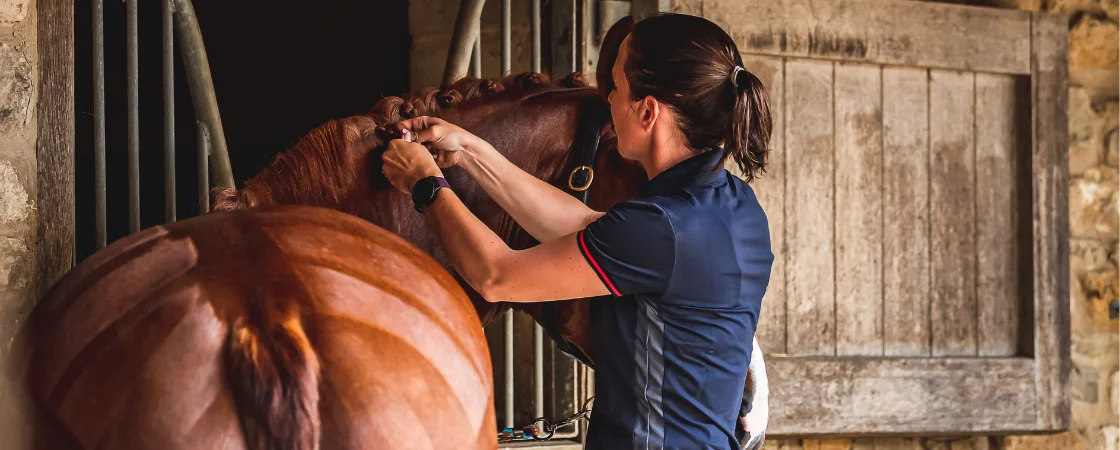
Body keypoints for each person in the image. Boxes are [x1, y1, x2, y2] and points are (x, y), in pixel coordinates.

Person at [381, 12, 773, 450]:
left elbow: (496, 275)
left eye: (617, 88)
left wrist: (426, 183)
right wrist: (472, 151)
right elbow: (587, 226)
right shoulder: (735, 207)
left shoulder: (661, 229)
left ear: (647, 111)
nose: (608, 100)